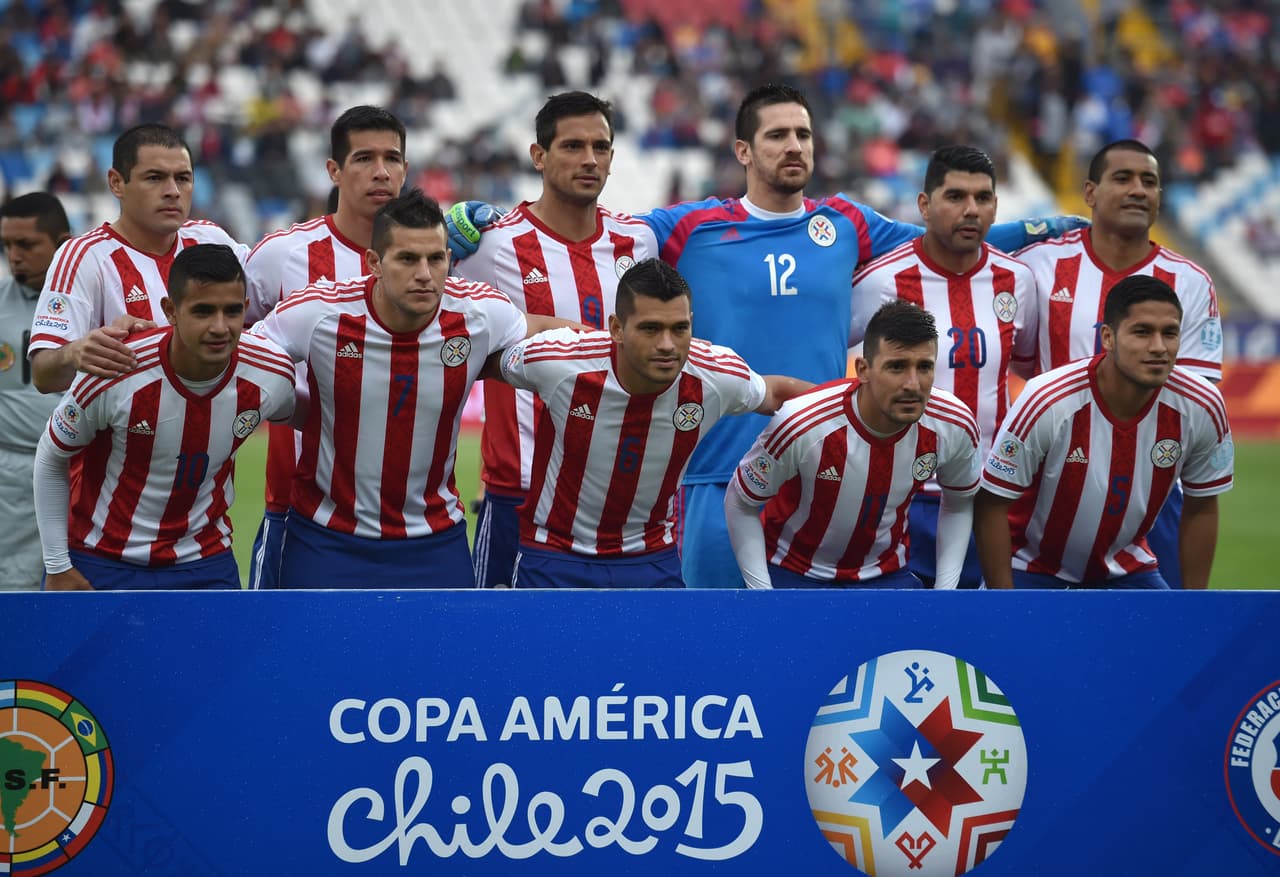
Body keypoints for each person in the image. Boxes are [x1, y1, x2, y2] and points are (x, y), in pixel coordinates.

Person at [449, 83, 1083, 588]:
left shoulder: (847, 223)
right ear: (743, 151)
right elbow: (580, 228)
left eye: (803, 134)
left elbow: (943, 238)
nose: (793, 146)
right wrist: (479, 228)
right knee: (713, 642)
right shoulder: (684, 227)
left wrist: (1035, 230)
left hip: (823, 466)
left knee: (807, 643)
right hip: (712, 470)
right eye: (776, 134)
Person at [250, 188, 564, 588]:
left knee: (448, 653)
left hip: (435, 541)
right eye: (407, 259)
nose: (424, 273)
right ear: (374, 263)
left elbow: (542, 331)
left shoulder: (478, 312)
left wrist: (618, 346)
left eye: (436, 259)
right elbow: (243, 357)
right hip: (326, 538)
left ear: (449, 260)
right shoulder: (319, 311)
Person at [494, 258, 812, 588]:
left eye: (679, 329)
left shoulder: (716, 375)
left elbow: (775, 393)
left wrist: (851, 407)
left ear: (691, 323)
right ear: (616, 328)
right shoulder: (559, 362)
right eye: (650, 328)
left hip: (651, 559)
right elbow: (487, 362)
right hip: (554, 554)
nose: (666, 345)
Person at [451, 91, 659, 587]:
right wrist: (445, 243)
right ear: (539, 156)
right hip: (520, 490)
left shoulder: (639, 243)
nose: (589, 159)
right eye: (571, 146)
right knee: (505, 653)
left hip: (620, 496)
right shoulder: (493, 246)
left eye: (601, 146)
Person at [1015, 139, 1221, 589]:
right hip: (1051, 484)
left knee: (1161, 645)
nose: (1137, 190)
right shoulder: (1038, 267)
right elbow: (1023, 364)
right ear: (1089, 192)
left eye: (1149, 181)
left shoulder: (1189, 281)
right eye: (1123, 178)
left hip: (1151, 494)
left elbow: (1197, 400)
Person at [32, 244, 296, 590]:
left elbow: (313, 421)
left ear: (246, 309)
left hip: (205, 563)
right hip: (99, 559)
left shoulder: (271, 374)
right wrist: (57, 564)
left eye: (231, 311)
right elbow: (52, 456)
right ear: (170, 310)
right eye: (203, 311)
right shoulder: (116, 369)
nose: (220, 327)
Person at [849, 145, 1037, 587]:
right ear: (924, 205)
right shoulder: (882, 281)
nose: (971, 210)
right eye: (955, 196)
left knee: (983, 639)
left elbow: (1026, 364)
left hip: (990, 495)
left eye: (983, 197)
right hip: (901, 497)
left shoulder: (1019, 281)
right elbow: (835, 357)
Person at [973, 276, 1233, 590]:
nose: (1159, 347)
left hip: (1126, 569)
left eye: (1170, 333)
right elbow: (992, 503)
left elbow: (1202, 506)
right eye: (1142, 332)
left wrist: (1194, 607)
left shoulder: (1202, 404)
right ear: (1108, 338)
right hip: (1029, 568)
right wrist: (1005, 605)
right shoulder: (1049, 399)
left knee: (1174, 637)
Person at [243, 105, 408, 589]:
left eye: (393, 158)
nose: (381, 171)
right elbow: (230, 344)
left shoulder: (432, 256)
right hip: (298, 509)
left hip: (415, 518)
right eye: (363, 158)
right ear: (333, 170)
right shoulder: (282, 255)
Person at [725, 301, 980, 589]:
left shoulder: (954, 423)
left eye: (924, 367)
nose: (912, 383)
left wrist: (944, 593)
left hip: (885, 577)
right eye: (896, 367)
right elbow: (740, 501)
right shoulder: (802, 423)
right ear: (862, 369)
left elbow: (959, 504)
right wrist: (763, 595)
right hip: (792, 573)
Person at [27, 123, 249, 393]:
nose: (173, 191)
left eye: (183, 178)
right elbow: (42, 375)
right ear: (116, 183)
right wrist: (72, 353)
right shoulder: (84, 256)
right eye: (155, 178)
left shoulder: (211, 239)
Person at [0, 193, 71, 590]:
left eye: (25, 244)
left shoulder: (93, 303)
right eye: (6, 245)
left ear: (62, 243)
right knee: (15, 592)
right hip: (12, 480)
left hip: (83, 476)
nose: (14, 256)